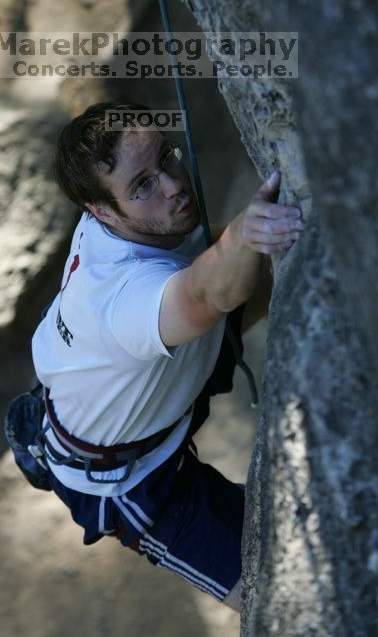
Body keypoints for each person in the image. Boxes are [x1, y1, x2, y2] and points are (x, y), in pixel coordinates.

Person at [30, 101, 304, 612]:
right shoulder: (120, 296)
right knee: (279, 597)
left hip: (140, 387)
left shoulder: (145, 220)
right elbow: (202, 297)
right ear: (103, 212)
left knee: (267, 268)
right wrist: (247, 231)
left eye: (167, 157)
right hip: (131, 480)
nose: (173, 185)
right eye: (142, 186)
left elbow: (218, 268)